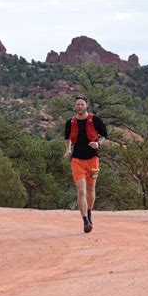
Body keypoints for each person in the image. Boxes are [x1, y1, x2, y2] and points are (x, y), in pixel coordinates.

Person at [64, 95, 107, 233]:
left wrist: (98, 143)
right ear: (75, 106)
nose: (80, 106)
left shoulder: (95, 120)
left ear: (86, 105)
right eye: (78, 104)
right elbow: (67, 138)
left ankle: (89, 212)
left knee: (91, 188)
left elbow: (104, 135)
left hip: (93, 160)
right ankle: (85, 221)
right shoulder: (70, 123)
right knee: (81, 189)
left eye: (82, 104)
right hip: (77, 160)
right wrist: (68, 150)